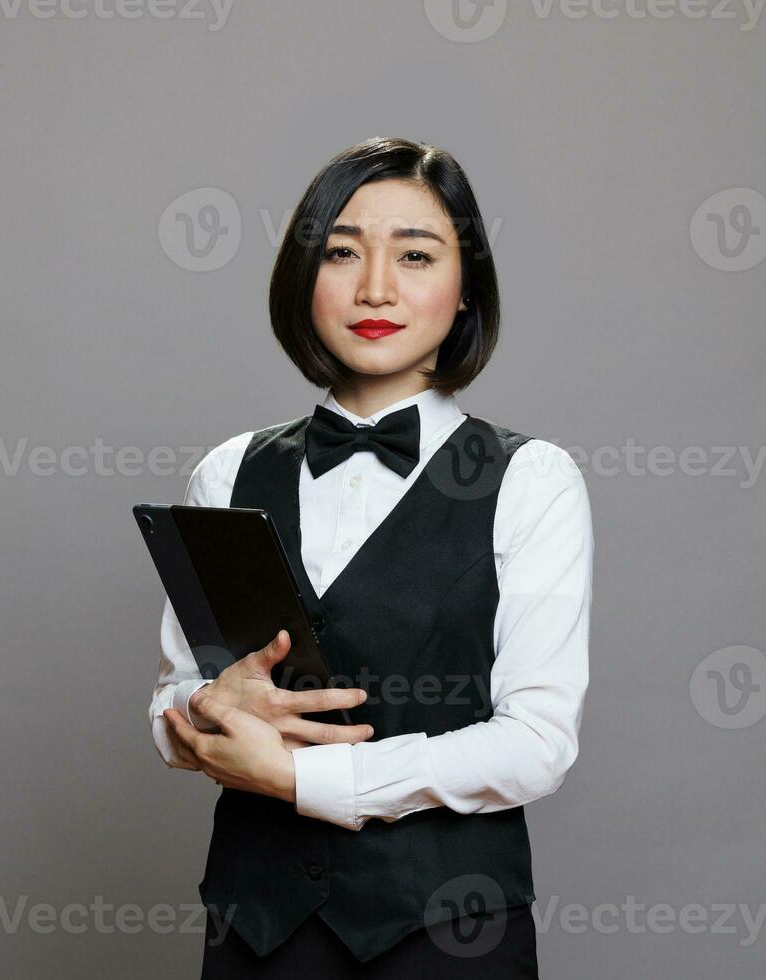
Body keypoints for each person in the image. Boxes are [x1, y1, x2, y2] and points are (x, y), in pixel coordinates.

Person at [148, 136, 593, 978]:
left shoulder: (532, 480)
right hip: (258, 936)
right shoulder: (227, 471)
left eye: (416, 255)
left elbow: (536, 742)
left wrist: (305, 780)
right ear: (301, 278)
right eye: (342, 253)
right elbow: (171, 706)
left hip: (451, 939)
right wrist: (208, 706)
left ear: (466, 291)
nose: (375, 288)